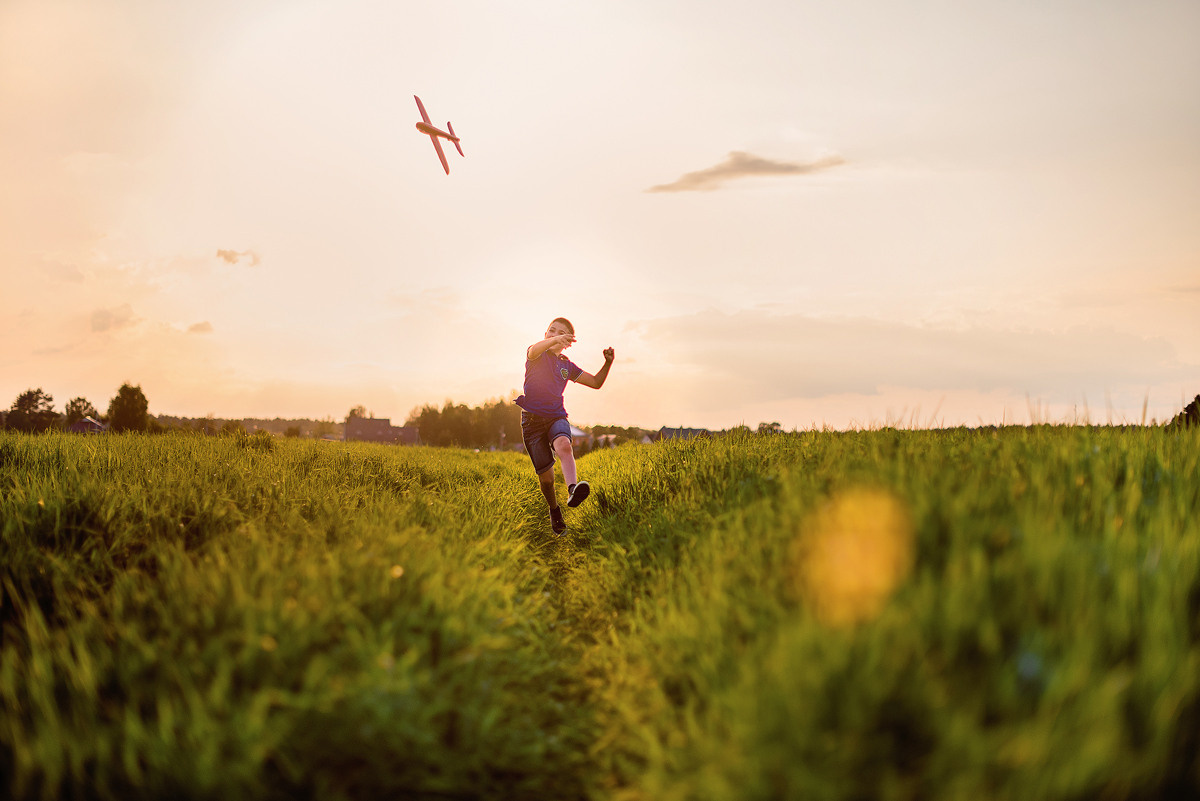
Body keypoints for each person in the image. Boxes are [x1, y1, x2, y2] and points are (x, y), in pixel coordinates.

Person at [516, 317, 614, 534]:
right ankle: (554, 510)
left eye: (561, 334)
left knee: (564, 445)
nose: (554, 335)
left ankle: (572, 489)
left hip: (555, 417)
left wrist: (607, 363)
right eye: (551, 331)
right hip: (531, 423)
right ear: (545, 335)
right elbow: (535, 349)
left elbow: (596, 383)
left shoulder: (566, 366)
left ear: (568, 343)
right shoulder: (535, 354)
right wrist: (555, 339)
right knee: (547, 480)